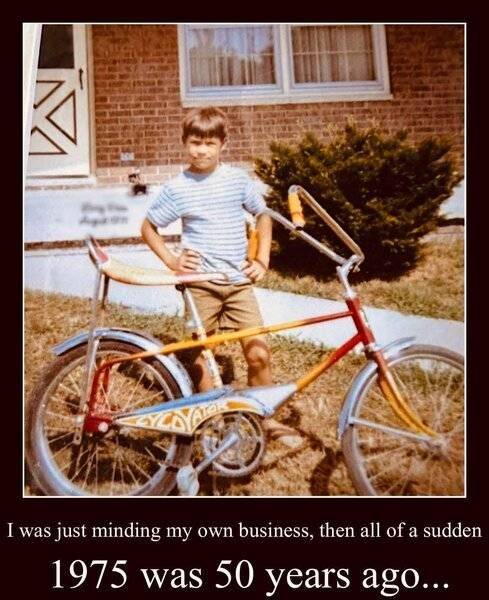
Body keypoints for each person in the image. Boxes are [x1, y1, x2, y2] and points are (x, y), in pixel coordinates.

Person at [141, 106, 301, 447]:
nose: (201, 151)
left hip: (238, 284)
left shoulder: (237, 180)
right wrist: (172, 260)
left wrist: (261, 259)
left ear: (223, 144)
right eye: (195, 143)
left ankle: (265, 419)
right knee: (199, 353)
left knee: (259, 353)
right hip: (200, 284)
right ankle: (212, 421)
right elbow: (148, 227)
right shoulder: (178, 188)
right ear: (184, 142)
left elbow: (263, 214)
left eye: (209, 143)